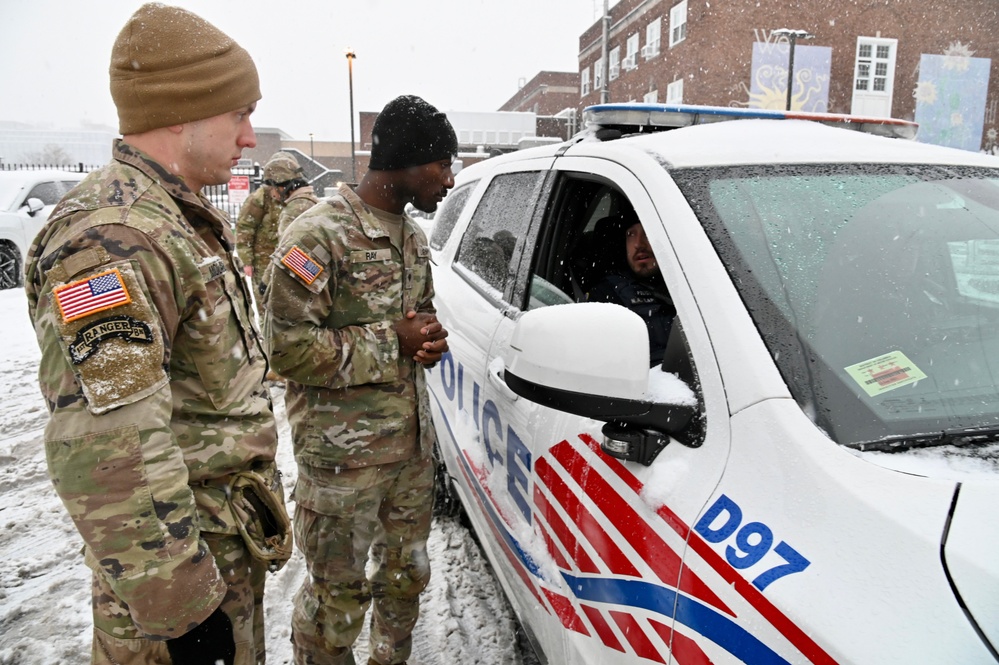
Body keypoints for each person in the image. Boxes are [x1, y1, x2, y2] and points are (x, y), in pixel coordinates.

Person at [24, 4, 289, 664]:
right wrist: (184, 614)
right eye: (238, 114)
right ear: (180, 110)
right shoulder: (116, 238)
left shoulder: (171, 219)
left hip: (213, 555)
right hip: (173, 602)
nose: (250, 137)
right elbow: (107, 448)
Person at [265, 94, 455, 665]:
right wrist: (389, 342)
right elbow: (285, 350)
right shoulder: (316, 237)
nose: (449, 179)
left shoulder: (413, 237)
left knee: (404, 583)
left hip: (409, 457)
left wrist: (425, 343)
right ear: (407, 162)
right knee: (336, 603)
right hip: (342, 466)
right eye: (443, 165)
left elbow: (413, 320)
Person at [587, 210, 676, 365]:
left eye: (648, 232)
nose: (638, 244)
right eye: (630, 235)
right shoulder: (608, 295)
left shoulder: (694, 283)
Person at [237, 150, 307, 316]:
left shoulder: (296, 196)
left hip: (288, 257)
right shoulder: (260, 198)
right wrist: (247, 261)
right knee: (265, 305)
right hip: (263, 259)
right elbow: (245, 227)